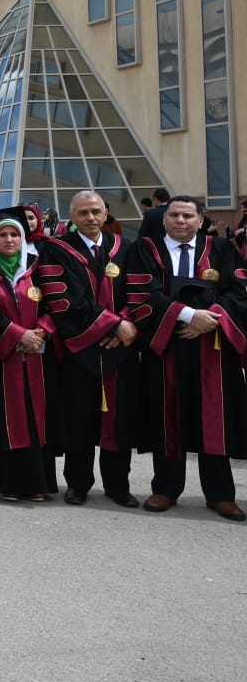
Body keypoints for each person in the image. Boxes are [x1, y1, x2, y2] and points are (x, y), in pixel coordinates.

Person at [126, 196, 247, 521]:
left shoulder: (222, 249)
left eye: (188, 215)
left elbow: (239, 291)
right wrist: (189, 315)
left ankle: (220, 494)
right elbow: (141, 294)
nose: (181, 220)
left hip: (213, 347)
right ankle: (166, 488)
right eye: (175, 215)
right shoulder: (146, 250)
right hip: (166, 344)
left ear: (201, 220)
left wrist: (210, 319)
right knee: (168, 416)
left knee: (215, 421)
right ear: (164, 218)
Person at [40, 190, 144, 508]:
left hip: (120, 351)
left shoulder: (124, 246)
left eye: (96, 211)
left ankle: (118, 485)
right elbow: (63, 299)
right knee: (79, 419)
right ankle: (78, 483)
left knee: (119, 420)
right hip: (80, 349)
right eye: (83, 212)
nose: (91, 217)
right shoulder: (56, 250)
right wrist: (113, 325)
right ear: (71, 216)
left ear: (106, 213)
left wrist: (125, 325)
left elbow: (137, 293)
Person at [0, 210, 58, 502]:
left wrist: (41, 332)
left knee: (38, 416)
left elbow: (55, 303)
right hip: (2, 357)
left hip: (38, 355)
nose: (9, 240)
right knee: (5, 418)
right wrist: (17, 334)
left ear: (23, 238)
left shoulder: (38, 266)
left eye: (14, 234)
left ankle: (39, 482)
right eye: (2, 235)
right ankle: (8, 482)